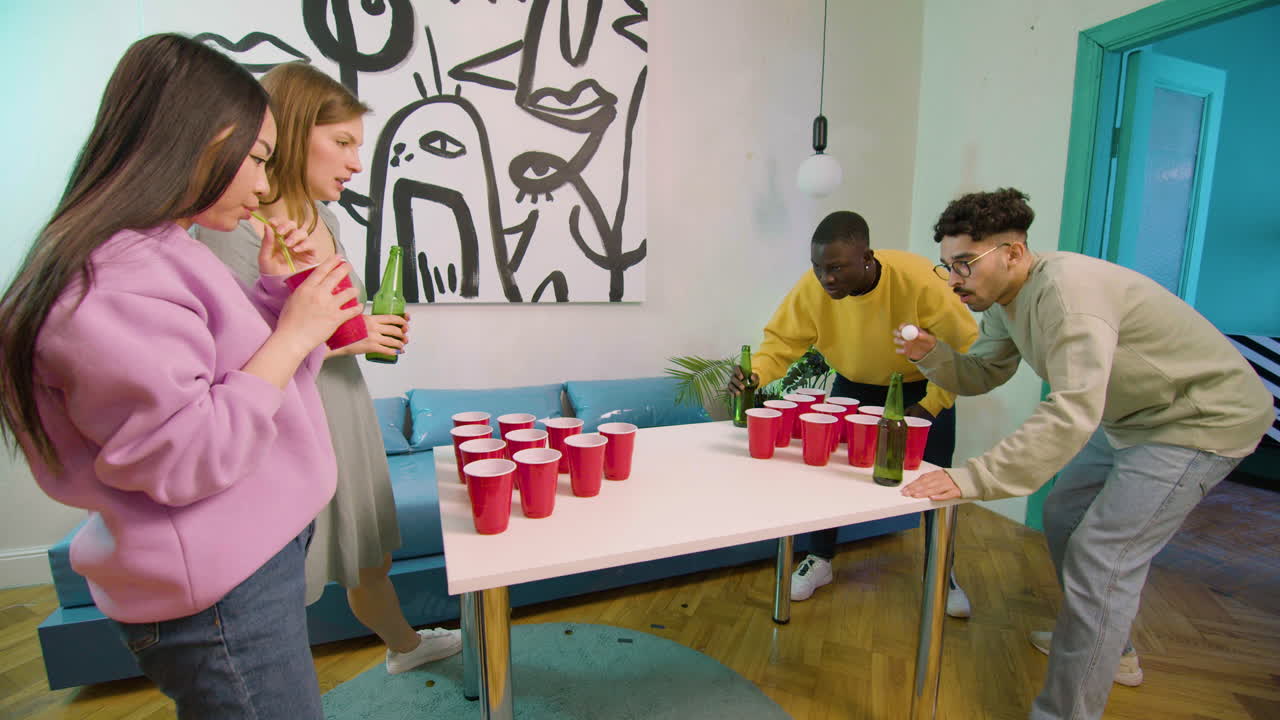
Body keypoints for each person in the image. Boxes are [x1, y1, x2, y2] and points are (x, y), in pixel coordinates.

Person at [0, 35, 361, 718]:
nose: (264, 185)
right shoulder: (110, 282)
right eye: (258, 158)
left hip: (246, 559)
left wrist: (277, 302)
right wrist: (294, 331)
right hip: (224, 587)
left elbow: (235, 379)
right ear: (201, 140)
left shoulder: (160, 248)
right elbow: (190, 453)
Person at [899, 188, 1272, 720]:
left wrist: (975, 476)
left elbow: (1073, 408)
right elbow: (983, 373)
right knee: (1064, 513)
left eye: (965, 264)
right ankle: (1109, 647)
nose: (954, 280)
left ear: (1013, 252)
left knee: (1102, 558)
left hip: (1198, 419)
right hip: (1129, 415)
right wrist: (932, 354)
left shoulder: (1069, 295)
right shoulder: (1005, 302)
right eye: (948, 266)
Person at [194, 61, 461, 674]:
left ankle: (405, 648)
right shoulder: (234, 227)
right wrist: (350, 337)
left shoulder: (328, 221)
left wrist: (362, 326)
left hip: (344, 406)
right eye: (342, 142)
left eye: (357, 147)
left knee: (369, 555)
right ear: (292, 133)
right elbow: (236, 354)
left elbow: (322, 316)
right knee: (287, 571)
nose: (354, 163)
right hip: (285, 419)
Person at [728, 210, 979, 614]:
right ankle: (819, 559)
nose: (826, 278)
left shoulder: (919, 282)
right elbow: (779, 345)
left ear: (867, 258)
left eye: (837, 268)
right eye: (818, 267)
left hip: (921, 388)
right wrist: (755, 374)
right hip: (853, 386)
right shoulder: (813, 289)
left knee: (936, 484)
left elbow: (965, 351)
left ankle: (941, 572)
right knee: (829, 478)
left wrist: (929, 405)